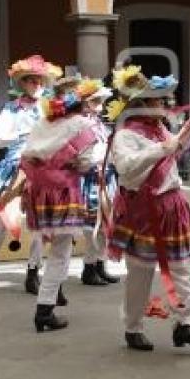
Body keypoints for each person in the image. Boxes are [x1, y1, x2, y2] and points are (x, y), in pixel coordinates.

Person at [107, 65, 190, 351]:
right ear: (141, 104)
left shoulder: (160, 129)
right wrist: (166, 148)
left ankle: (184, 324)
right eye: (158, 101)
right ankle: (132, 327)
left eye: (164, 100)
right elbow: (127, 169)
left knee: (181, 267)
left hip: (171, 206)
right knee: (140, 273)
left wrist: (183, 139)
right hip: (144, 210)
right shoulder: (125, 136)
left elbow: (169, 159)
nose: (164, 105)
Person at [0, 55, 59, 293]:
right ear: (23, 84)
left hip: (41, 170)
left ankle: (33, 273)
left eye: (40, 81)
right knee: (1, 223)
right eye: (31, 81)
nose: (36, 85)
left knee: (39, 224)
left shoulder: (50, 110)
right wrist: (23, 135)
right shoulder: (11, 109)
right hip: (14, 170)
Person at [21, 76, 100, 332]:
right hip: (63, 191)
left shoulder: (43, 122)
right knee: (60, 252)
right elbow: (87, 161)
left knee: (50, 247)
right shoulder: (81, 125)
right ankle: (45, 310)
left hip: (38, 191)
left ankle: (52, 296)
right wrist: (73, 164)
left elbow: (29, 154)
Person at [78, 78, 120, 287]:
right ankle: (89, 267)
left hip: (107, 176)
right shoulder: (80, 124)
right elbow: (82, 155)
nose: (99, 106)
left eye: (100, 101)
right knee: (92, 225)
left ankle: (100, 265)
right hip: (92, 177)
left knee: (106, 224)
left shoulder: (100, 124)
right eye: (95, 101)